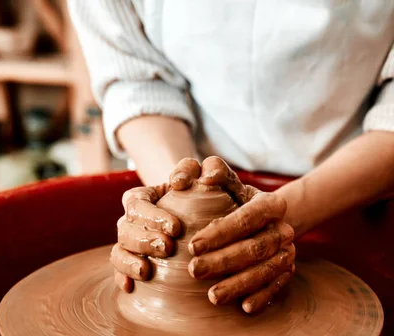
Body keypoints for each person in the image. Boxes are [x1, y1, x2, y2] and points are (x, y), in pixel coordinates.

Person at [68, 1, 394, 313]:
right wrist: (180, 207)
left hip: (352, 190)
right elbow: (135, 78)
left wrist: (282, 217)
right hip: (187, 159)